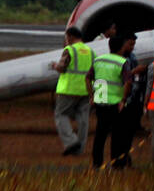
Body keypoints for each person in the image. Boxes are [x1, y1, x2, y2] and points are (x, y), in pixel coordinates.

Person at [91, 35, 132, 169]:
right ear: (122, 47)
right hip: (116, 102)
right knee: (117, 134)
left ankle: (97, 163)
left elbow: (87, 78)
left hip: (100, 100)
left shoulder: (98, 60)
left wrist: (91, 95)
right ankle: (117, 163)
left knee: (100, 134)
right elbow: (128, 82)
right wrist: (123, 99)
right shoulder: (122, 62)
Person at [50, 27, 92, 156]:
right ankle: (80, 149)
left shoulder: (70, 50)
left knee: (60, 114)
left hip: (69, 89)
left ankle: (71, 142)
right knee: (83, 119)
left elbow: (62, 68)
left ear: (70, 37)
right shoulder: (90, 51)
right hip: (85, 90)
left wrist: (54, 66)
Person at [111, 34, 147, 168]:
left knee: (129, 132)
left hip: (133, 99)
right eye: (130, 44)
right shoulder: (118, 59)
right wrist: (134, 71)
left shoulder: (132, 57)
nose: (132, 48)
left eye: (133, 45)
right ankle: (118, 160)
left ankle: (125, 155)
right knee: (119, 132)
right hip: (120, 99)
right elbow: (121, 77)